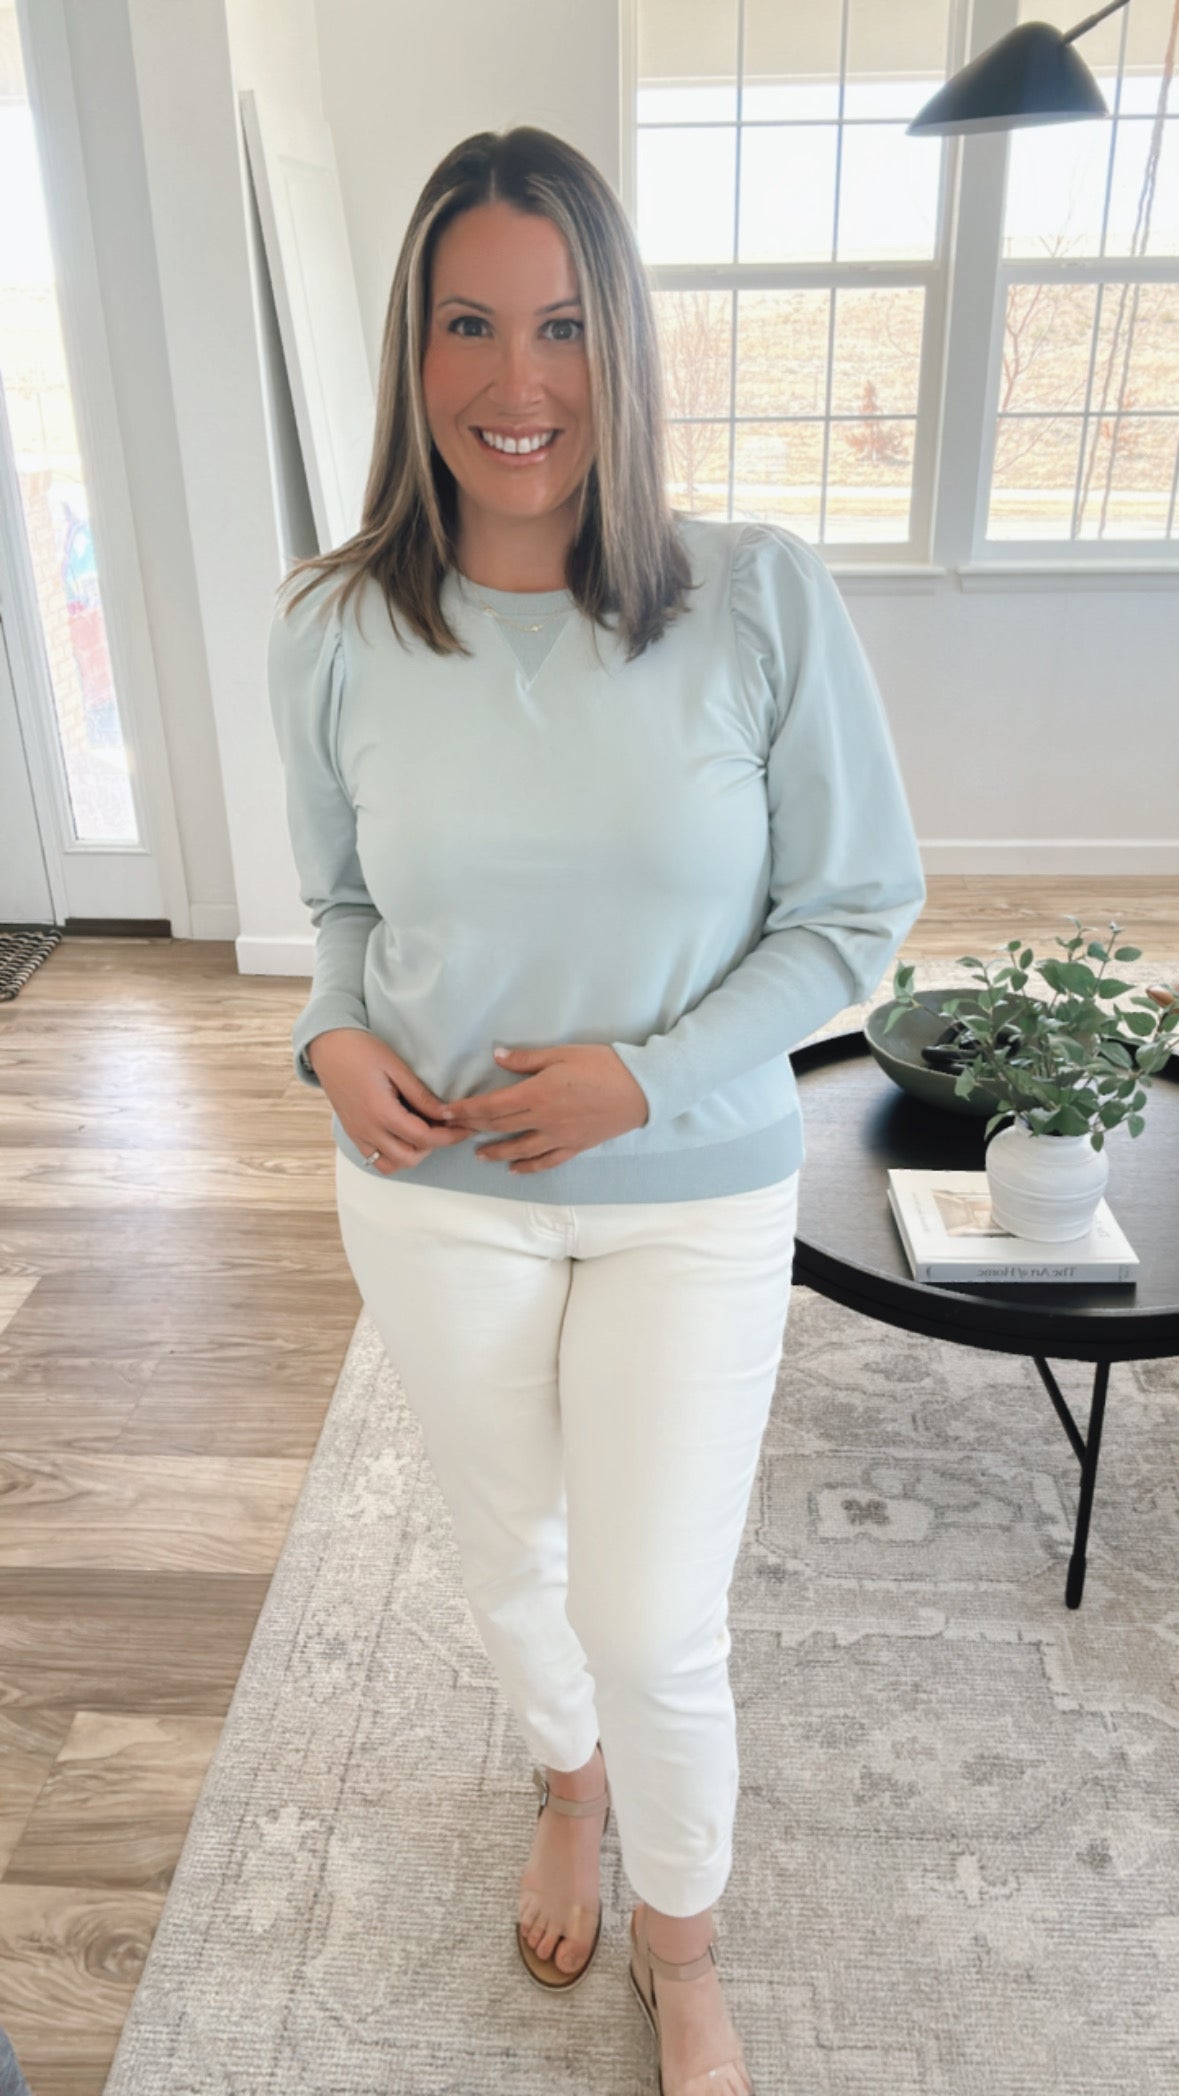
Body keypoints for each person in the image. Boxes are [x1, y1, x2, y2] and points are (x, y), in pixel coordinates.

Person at [267, 125, 926, 2096]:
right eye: (466, 324)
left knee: (650, 1620)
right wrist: (330, 1039)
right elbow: (340, 912)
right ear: (411, 349)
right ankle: (572, 1790)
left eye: (559, 326)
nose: (515, 381)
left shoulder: (756, 598)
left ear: (619, 346)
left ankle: (684, 1941)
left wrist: (645, 1074)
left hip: (689, 1187)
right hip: (431, 1190)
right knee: (510, 1561)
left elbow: (853, 914)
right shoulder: (333, 627)